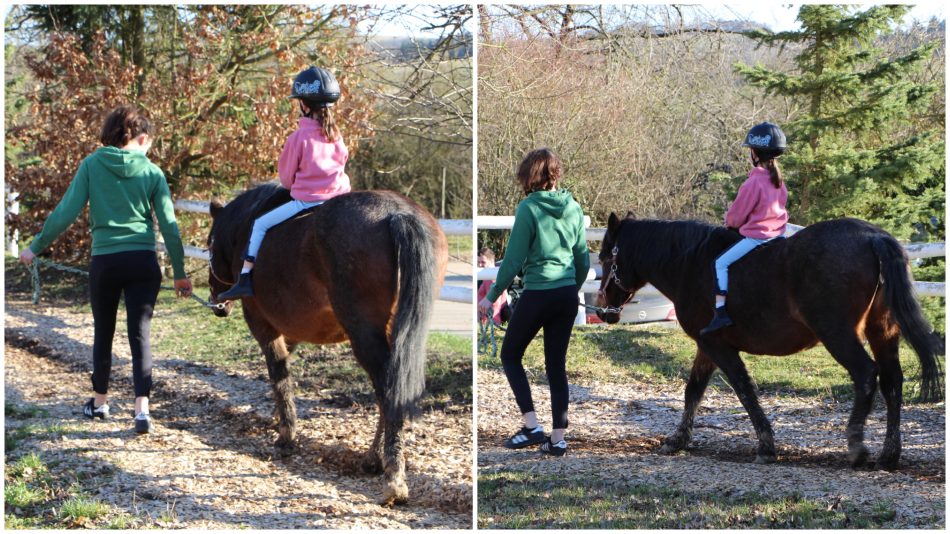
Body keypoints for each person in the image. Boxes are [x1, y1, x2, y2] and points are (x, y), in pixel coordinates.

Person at [19, 104, 193, 434]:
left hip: (106, 262)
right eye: (150, 142)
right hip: (143, 260)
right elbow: (169, 225)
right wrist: (180, 273)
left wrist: (35, 247)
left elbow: (66, 212)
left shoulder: (92, 165)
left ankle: (99, 403)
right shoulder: (153, 173)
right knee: (140, 334)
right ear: (142, 138)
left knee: (104, 332)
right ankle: (142, 410)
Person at [477, 148, 589, 457]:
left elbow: (513, 260)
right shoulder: (574, 208)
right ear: (555, 175)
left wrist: (490, 296)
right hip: (566, 294)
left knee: (510, 354)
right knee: (556, 366)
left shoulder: (528, 208)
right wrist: (570, 290)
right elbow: (582, 259)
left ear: (530, 176)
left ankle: (531, 427)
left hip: (538, 292)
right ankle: (558, 439)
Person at [218, 65, 349, 300]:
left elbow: (287, 180)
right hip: (338, 200)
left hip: (305, 203)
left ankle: (246, 277)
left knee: (260, 224)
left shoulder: (298, 138)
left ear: (304, 104)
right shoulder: (337, 136)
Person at [701, 122, 788, 335]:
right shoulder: (778, 181)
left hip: (757, 238)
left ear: (754, 153)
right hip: (779, 235)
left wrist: (728, 220)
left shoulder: (753, 182)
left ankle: (721, 312)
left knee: (720, 263)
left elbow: (736, 217)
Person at [476, 247, 509, 325]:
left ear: (491, 262)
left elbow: (495, 306)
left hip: (489, 322)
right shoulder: (489, 277)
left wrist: (489, 323)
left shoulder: (491, 279)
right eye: (478, 262)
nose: (480, 265)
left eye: (483, 262)